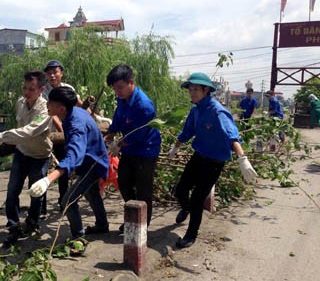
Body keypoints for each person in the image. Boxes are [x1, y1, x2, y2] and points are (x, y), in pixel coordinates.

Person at [167, 72, 257, 249]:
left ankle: (191, 235)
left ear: (206, 90)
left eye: (195, 89)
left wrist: (242, 159)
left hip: (214, 162)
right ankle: (186, 209)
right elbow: (187, 132)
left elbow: (232, 137)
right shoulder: (195, 110)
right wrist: (175, 147)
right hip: (198, 156)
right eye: (190, 89)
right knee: (180, 190)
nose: (191, 93)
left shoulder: (218, 111)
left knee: (198, 198)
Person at [26, 87, 110, 238]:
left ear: (61, 108)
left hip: (93, 164)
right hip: (91, 160)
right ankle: (102, 225)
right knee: (92, 194)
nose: (47, 105)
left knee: (68, 201)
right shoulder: (74, 112)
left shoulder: (76, 123)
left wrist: (48, 179)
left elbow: (74, 154)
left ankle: (78, 237)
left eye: (50, 103)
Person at [0, 70, 52, 248]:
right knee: (12, 190)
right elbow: (19, 130)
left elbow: (29, 131)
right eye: (24, 88)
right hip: (22, 153)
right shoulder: (20, 103)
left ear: (41, 89)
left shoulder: (45, 109)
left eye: (31, 89)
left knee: (36, 193)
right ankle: (13, 225)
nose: (26, 92)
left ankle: (32, 222)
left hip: (40, 156)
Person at [105, 64, 162, 232]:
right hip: (129, 150)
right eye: (115, 89)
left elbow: (139, 135)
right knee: (123, 182)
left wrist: (118, 144)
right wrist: (110, 134)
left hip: (145, 150)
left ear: (131, 82)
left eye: (120, 88)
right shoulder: (122, 99)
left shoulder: (143, 105)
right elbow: (118, 118)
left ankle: (143, 225)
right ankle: (134, 215)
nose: (118, 92)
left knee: (144, 189)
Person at [43, 60, 81, 210]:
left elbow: (78, 104)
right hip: (50, 133)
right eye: (49, 72)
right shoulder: (44, 91)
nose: (52, 75)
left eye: (55, 72)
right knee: (43, 169)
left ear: (61, 73)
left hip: (63, 134)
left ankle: (63, 199)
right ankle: (41, 207)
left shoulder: (68, 88)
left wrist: (92, 117)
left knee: (63, 167)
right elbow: (52, 114)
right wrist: (63, 130)